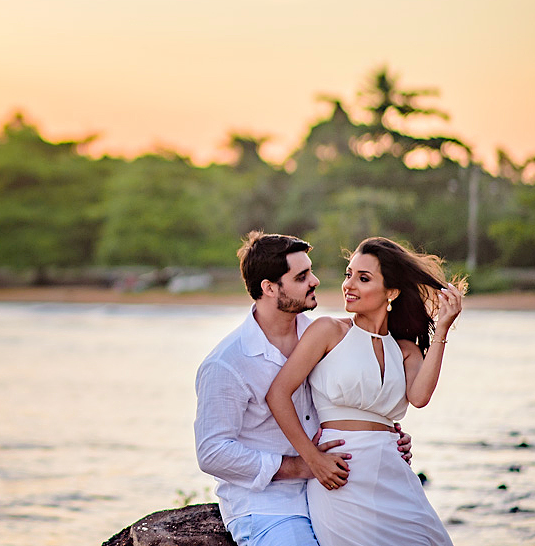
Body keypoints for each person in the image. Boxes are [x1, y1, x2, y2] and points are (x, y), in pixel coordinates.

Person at [194, 232, 412, 546]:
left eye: (310, 271)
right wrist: (299, 465)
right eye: (301, 277)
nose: (315, 281)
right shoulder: (228, 363)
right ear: (269, 288)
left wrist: (385, 436)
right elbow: (212, 452)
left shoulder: (321, 336)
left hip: (334, 492)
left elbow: (352, 398)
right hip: (268, 507)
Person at [266, 236, 465, 546]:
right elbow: (278, 394)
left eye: (363, 278)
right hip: (340, 474)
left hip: (393, 472)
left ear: (392, 292)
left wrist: (442, 329)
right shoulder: (328, 331)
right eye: (348, 274)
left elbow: (420, 397)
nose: (349, 285)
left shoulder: (406, 350)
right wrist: (313, 460)